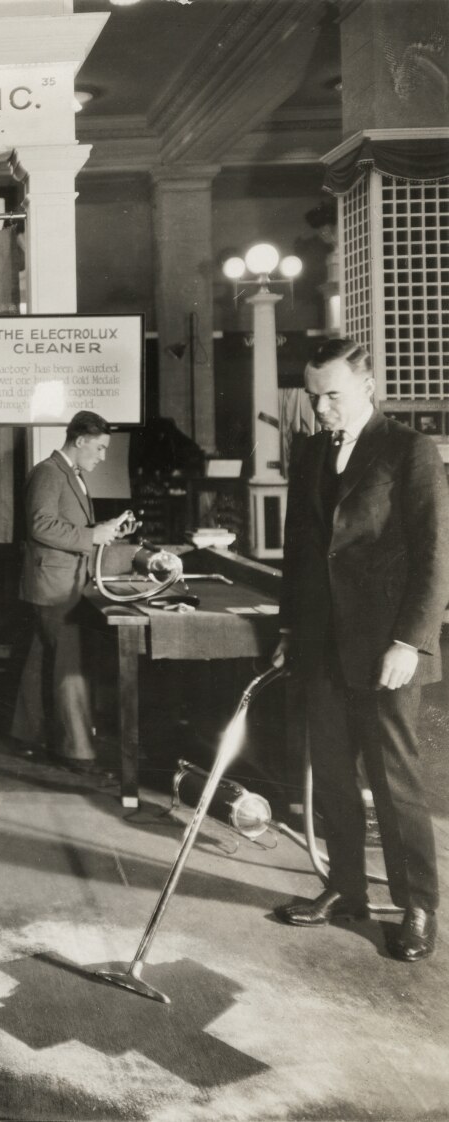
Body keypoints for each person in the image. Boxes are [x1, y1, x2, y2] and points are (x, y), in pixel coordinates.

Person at [272, 338, 449, 962]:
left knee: (393, 779)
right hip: (321, 643)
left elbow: (435, 556)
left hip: (384, 646)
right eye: (312, 397)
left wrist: (410, 642)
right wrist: (290, 631)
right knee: (332, 774)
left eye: (332, 396)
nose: (320, 409)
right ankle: (346, 891)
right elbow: (299, 550)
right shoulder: (310, 452)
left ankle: (418, 906)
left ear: (367, 387)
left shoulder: (409, 449)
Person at [12, 411, 133, 774]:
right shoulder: (49, 473)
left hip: (59, 581)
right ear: (80, 441)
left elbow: (67, 524)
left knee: (42, 658)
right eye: (100, 448)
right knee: (69, 664)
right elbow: (40, 525)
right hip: (55, 586)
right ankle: (76, 751)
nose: (103, 456)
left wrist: (105, 529)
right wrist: (92, 536)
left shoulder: (69, 474)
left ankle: (27, 735)